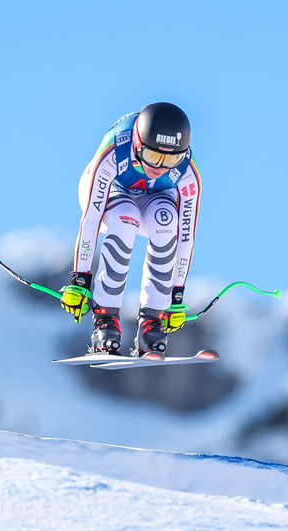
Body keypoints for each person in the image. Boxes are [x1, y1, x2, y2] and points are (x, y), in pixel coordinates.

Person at [59, 102, 202, 356]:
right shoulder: (115, 149)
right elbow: (91, 221)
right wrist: (80, 280)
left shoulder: (187, 172)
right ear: (137, 143)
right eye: (152, 156)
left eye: (170, 159)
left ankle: (152, 322)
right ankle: (106, 321)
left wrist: (175, 298)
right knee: (126, 219)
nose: (159, 167)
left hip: (155, 198)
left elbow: (186, 238)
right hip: (110, 192)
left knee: (166, 221)